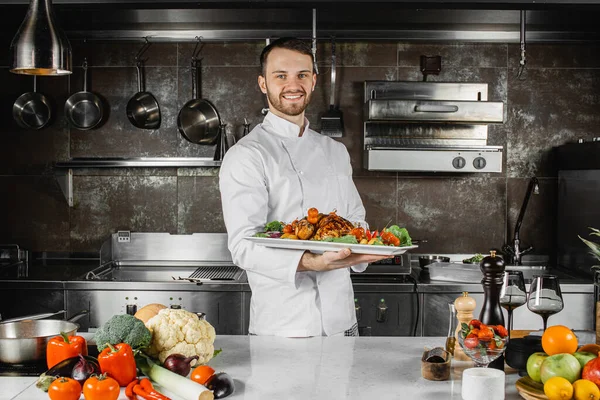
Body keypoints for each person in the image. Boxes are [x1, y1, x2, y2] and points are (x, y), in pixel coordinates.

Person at [218, 37, 390, 337]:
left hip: (342, 323)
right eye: (280, 75)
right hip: (284, 326)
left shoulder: (334, 151)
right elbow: (243, 246)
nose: (292, 84)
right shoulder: (247, 155)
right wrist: (313, 262)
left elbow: (355, 220)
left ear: (313, 82)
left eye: (302, 75)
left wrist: (361, 251)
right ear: (263, 83)